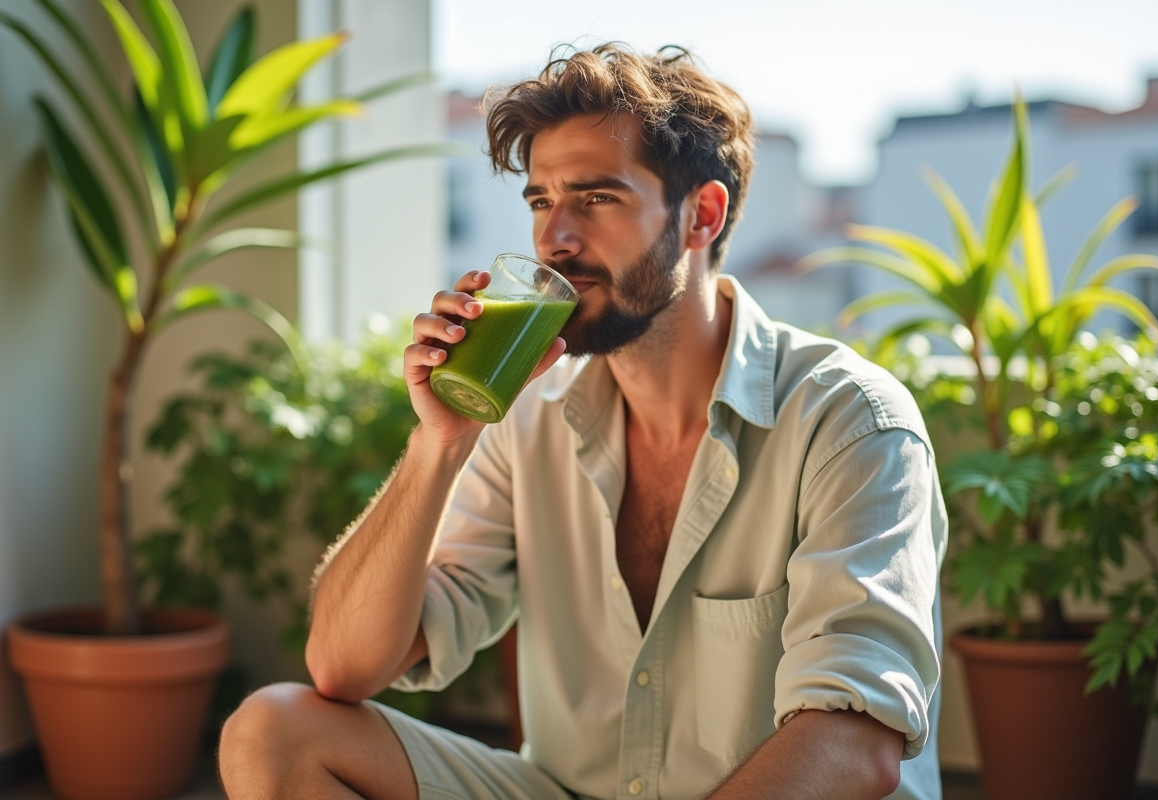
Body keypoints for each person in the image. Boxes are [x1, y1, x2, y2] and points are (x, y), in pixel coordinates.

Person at [218, 43, 947, 800]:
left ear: (701, 215)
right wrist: (438, 444)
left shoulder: (851, 422)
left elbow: (853, 746)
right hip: (569, 788)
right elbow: (345, 667)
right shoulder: (529, 417)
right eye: (540, 201)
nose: (554, 240)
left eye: (597, 198)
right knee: (275, 733)